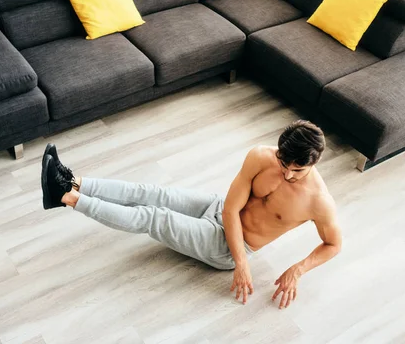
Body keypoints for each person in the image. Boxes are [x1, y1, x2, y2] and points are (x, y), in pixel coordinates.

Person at [41, 120, 342, 309]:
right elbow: (231, 207)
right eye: (283, 163)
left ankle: (65, 197)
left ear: (314, 163)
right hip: (219, 208)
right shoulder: (261, 156)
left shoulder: (318, 201)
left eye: (297, 170)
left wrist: (297, 269)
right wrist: (242, 262)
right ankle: (73, 180)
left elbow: (334, 244)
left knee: (154, 216)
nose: (288, 174)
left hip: (227, 247)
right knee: (153, 192)